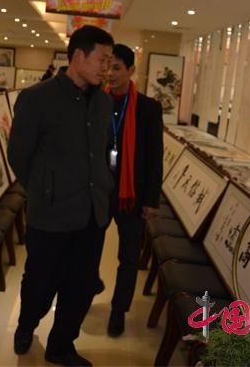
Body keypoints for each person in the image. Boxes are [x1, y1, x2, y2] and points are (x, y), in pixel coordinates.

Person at [7, 25, 114, 367]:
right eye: (102, 59)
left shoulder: (103, 101)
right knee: (40, 284)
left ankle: (61, 346)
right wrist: (45, 189)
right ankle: (26, 325)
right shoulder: (37, 98)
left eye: (110, 61)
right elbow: (19, 156)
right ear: (78, 55)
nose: (106, 67)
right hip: (51, 215)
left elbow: (105, 150)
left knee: (80, 288)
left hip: (92, 214)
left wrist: (106, 186)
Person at [101, 43, 163, 337]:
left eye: (116, 67)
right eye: (107, 66)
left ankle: (118, 310)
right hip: (100, 191)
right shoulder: (96, 102)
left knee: (128, 257)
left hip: (131, 195)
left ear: (130, 70)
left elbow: (154, 157)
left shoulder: (148, 108)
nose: (110, 73)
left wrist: (151, 199)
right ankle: (89, 285)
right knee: (88, 249)